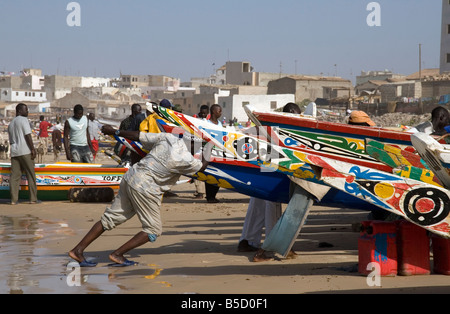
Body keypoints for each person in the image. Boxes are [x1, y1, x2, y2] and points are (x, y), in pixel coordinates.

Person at [68, 125, 214, 267]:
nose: (198, 149)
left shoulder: (168, 138)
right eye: (199, 146)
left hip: (131, 176)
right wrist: (210, 149)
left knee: (109, 219)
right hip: (145, 187)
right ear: (193, 143)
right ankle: (117, 254)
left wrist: (115, 131)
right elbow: (201, 167)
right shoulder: (186, 159)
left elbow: (138, 135)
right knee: (153, 230)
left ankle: (78, 250)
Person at [239, 103, 302, 262]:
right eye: (297, 115)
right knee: (272, 206)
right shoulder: (280, 130)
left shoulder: (272, 128)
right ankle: (272, 246)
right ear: (291, 114)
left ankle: (247, 240)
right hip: (271, 170)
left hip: (263, 167)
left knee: (258, 203)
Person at [7, 103, 39, 205]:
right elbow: (27, 135)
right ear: (20, 111)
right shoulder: (24, 120)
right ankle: (33, 199)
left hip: (15, 152)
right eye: (26, 110)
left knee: (15, 176)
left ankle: (13, 200)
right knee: (31, 175)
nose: (28, 112)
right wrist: (33, 149)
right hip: (25, 151)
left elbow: (12, 140)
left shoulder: (11, 123)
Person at [205, 104, 223, 203]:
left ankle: (213, 195)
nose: (220, 113)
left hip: (219, 153)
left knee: (218, 174)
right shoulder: (206, 123)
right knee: (209, 174)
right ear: (213, 111)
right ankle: (209, 196)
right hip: (208, 152)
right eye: (219, 111)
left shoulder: (220, 124)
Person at [192, 105, 209, 199]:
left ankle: (201, 192)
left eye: (204, 113)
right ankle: (200, 191)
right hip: (197, 150)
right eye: (201, 113)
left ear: (207, 113)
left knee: (201, 170)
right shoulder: (195, 120)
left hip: (205, 150)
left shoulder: (208, 122)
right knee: (197, 169)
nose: (203, 114)